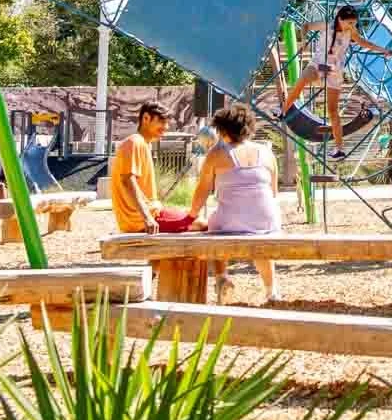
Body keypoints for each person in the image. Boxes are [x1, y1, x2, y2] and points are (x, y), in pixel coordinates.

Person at [183, 106, 281, 289]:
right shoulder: (267, 153)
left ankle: (221, 277)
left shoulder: (216, 154)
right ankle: (271, 289)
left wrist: (191, 215)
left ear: (223, 130)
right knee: (258, 236)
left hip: (231, 223)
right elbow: (273, 193)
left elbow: (202, 190)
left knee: (213, 224)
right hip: (268, 223)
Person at [280, 2, 391, 156]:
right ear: (340, 19)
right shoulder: (327, 25)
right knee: (302, 80)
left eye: (354, 23)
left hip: (334, 71)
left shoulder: (350, 32)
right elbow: (306, 26)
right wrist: (304, 42)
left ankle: (339, 148)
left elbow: (364, 43)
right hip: (319, 65)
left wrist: (383, 50)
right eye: (349, 22)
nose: (352, 25)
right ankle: (284, 110)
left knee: (333, 111)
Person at [108, 101, 169, 233]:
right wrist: (147, 217)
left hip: (148, 215)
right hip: (142, 221)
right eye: (162, 121)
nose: (166, 127)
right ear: (146, 118)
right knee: (201, 223)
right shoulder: (134, 142)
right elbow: (128, 181)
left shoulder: (144, 144)